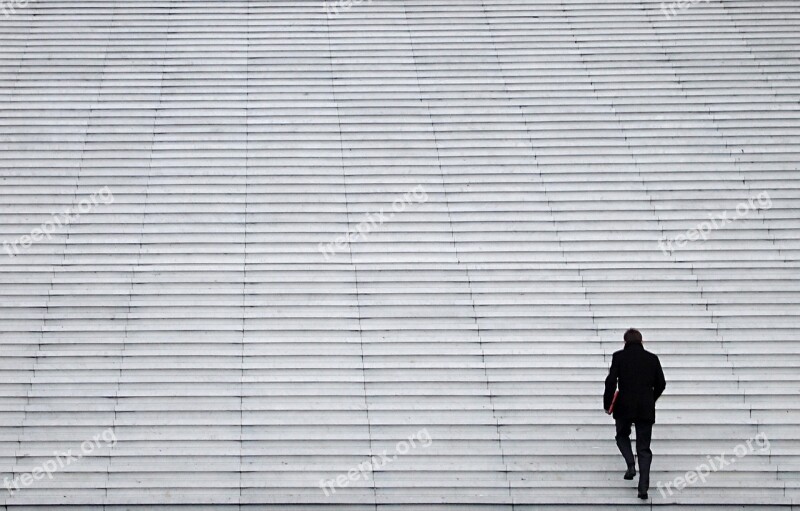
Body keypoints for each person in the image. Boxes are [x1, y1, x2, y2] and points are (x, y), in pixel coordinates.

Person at [603, 328, 666, 500]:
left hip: (624, 405)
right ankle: (643, 488)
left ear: (625, 342)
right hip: (645, 407)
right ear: (641, 341)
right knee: (644, 448)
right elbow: (661, 383)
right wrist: (651, 399)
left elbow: (610, 382)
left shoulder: (619, 357)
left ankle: (631, 464)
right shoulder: (652, 359)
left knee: (621, 435)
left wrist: (608, 403)